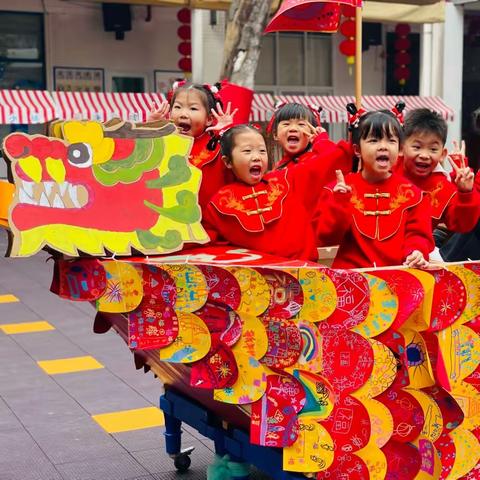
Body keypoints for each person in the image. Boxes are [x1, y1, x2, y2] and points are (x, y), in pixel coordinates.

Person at [314, 110, 434, 269]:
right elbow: (326, 239)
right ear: (357, 150)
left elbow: (418, 235)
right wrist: (339, 203)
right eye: (374, 140)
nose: (383, 146)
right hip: (351, 280)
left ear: (399, 150)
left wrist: (416, 252)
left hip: (398, 276)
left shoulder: (413, 194)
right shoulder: (336, 190)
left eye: (391, 140)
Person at [202, 124, 319, 261]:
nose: (257, 157)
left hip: (303, 273)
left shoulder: (286, 181)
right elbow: (210, 246)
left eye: (262, 151)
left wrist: (321, 140)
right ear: (227, 161)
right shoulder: (219, 202)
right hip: (254, 278)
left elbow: (327, 163)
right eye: (247, 151)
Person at [148, 82, 237, 209]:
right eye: (178, 107)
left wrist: (227, 133)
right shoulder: (163, 141)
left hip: (210, 221)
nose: (183, 114)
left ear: (209, 119)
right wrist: (150, 130)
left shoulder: (218, 145)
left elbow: (240, 164)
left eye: (193, 108)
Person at [395, 108, 480, 240]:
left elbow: (462, 224)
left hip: (418, 255)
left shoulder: (444, 188)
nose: (424, 155)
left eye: (433, 149)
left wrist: (466, 193)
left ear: (442, 154)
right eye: (417, 147)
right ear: (401, 148)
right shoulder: (387, 170)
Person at [269, 102, 353, 208]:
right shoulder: (277, 167)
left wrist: (321, 141)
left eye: (301, 124)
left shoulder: (315, 159)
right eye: (286, 124)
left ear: (312, 133)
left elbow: (336, 161)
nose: (293, 128)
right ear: (275, 134)